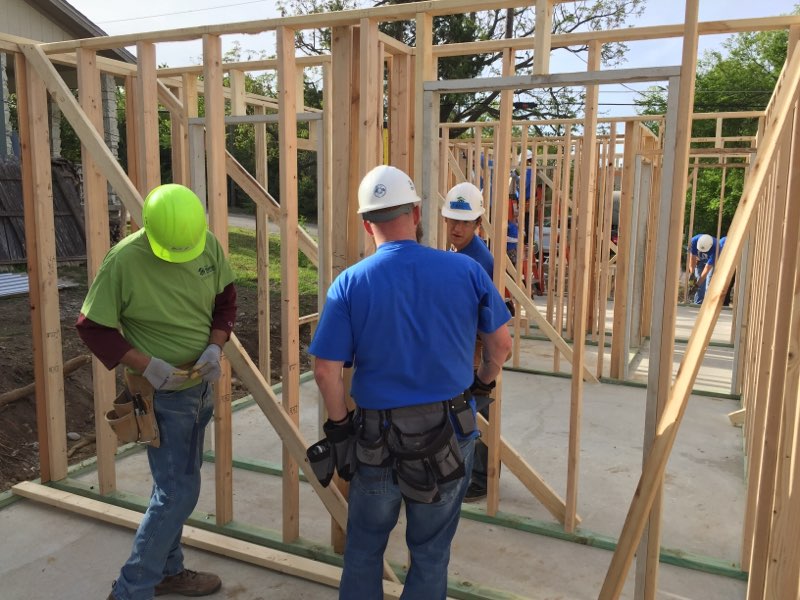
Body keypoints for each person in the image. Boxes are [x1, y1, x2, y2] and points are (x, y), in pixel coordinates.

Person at [310, 166, 512, 600]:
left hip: (375, 440)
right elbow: (501, 346)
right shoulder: (466, 272)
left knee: (364, 550)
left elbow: (327, 370)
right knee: (431, 551)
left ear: (368, 224)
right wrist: (482, 385)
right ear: (417, 212)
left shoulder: (350, 283)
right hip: (448, 435)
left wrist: (339, 427)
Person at [76, 183, 237, 600]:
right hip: (160, 394)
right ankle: (132, 588)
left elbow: (226, 300)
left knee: (174, 486)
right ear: (146, 228)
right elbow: (93, 327)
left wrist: (216, 345)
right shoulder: (124, 260)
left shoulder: (207, 246)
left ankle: (169, 570)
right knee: (178, 491)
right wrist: (147, 365)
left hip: (199, 385)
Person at [441, 182, 499, 502]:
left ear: (478, 224)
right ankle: (478, 472)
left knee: (478, 411)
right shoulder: (458, 252)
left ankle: (482, 477)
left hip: (476, 348)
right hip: (463, 347)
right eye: (452, 221)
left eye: (464, 222)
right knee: (470, 413)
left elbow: (482, 312)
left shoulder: (479, 259)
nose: (457, 227)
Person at [688, 233, 720, 305]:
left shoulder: (717, 247)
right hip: (699, 260)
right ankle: (698, 304)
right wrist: (692, 274)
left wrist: (697, 285)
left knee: (709, 282)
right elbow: (692, 259)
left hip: (711, 262)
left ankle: (707, 305)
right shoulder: (693, 241)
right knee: (698, 277)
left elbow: (707, 269)